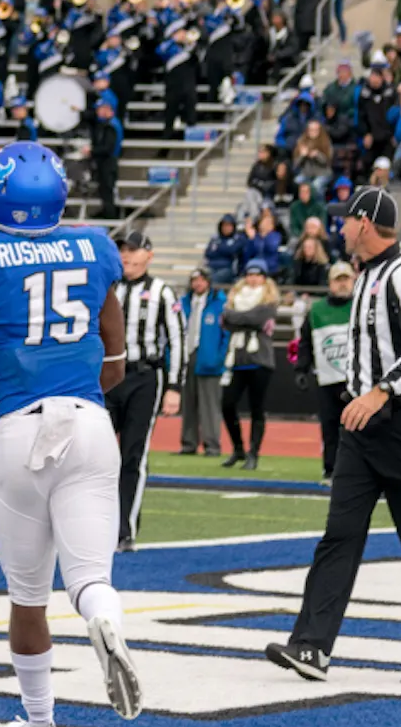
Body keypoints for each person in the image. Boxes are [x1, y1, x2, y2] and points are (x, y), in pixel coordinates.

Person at [0, 140, 142, 727]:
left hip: (23, 430)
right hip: (89, 423)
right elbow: (115, 362)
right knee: (89, 577)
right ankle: (104, 617)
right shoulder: (96, 247)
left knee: (28, 596)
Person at [267, 189, 401, 679]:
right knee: (340, 536)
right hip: (361, 431)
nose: (339, 228)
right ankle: (311, 645)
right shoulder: (365, 276)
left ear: (366, 222)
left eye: (346, 220)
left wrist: (381, 392)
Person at [108, 231, 182, 550]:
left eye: (134, 251)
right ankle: (94, 523)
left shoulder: (162, 292)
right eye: (123, 250)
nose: (127, 256)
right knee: (96, 454)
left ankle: (125, 528)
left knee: (133, 455)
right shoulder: (107, 289)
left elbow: (177, 340)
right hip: (107, 377)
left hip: (144, 377)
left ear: (149, 256)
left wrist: (175, 386)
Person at [296, 260, 355, 482]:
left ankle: (359, 472)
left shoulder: (361, 305)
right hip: (327, 379)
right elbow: (305, 343)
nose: (342, 285)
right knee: (329, 427)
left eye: (346, 279)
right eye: (338, 280)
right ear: (329, 283)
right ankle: (330, 469)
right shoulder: (316, 310)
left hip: (355, 380)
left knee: (358, 429)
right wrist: (301, 369)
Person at [219, 260, 280, 470]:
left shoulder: (269, 300)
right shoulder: (236, 297)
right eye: (250, 274)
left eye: (257, 274)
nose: (253, 279)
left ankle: (254, 453)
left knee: (257, 408)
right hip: (237, 359)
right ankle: (238, 448)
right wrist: (238, 317)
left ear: (264, 277)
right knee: (227, 404)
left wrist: (235, 317)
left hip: (259, 360)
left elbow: (254, 318)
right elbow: (226, 320)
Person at [178, 268, 228, 458]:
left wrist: (219, 357)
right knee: (188, 403)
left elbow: (226, 334)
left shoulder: (219, 303)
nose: (198, 284)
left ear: (208, 281)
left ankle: (212, 445)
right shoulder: (184, 303)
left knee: (209, 405)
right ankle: (188, 443)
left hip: (208, 357)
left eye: (201, 280)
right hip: (187, 355)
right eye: (194, 280)